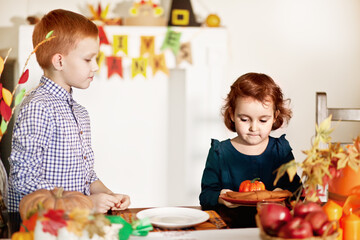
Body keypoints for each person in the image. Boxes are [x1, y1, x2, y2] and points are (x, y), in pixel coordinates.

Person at [7, 9, 130, 213]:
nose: (96, 67)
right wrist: (87, 203)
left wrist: (108, 196)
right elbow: (24, 180)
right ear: (59, 61)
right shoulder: (38, 107)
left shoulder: (80, 113)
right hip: (38, 225)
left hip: (73, 222)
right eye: (88, 59)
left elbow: (87, 176)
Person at [199, 72, 302, 211]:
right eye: (245, 119)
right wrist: (220, 197)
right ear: (232, 115)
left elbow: (297, 191)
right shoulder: (219, 152)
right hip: (229, 225)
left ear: (275, 117)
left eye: (263, 120)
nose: (254, 128)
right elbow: (205, 196)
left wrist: (283, 194)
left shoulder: (280, 151)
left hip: (272, 224)